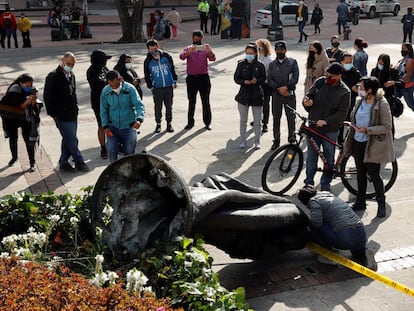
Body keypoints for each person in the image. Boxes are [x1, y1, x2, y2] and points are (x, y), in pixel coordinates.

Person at [343, 77, 394, 218]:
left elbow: (387, 126)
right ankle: (360, 201)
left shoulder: (381, 104)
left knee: (374, 174)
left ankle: (381, 203)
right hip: (357, 143)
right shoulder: (360, 101)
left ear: (370, 90)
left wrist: (368, 130)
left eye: (362, 87)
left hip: (372, 145)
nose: (359, 88)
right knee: (360, 174)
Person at [297, 186, 377, 271]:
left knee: (316, 227)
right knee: (355, 251)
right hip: (361, 232)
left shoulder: (314, 201)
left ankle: (329, 255)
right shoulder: (329, 195)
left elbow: (316, 223)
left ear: (304, 201)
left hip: (345, 238)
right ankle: (364, 253)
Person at [303, 62, 350, 191]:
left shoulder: (345, 92)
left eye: (331, 76)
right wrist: (307, 101)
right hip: (314, 126)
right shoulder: (320, 82)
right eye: (327, 75)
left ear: (339, 76)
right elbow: (309, 94)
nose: (327, 78)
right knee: (311, 157)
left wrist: (326, 121)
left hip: (330, 129)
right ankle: (309, 182)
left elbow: (342, 113)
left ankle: (325, 183)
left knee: (328, 157)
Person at [44, 51, 89, 172]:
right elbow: (48, 97)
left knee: (68, 138)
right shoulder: (53, 76)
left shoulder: (71, 74)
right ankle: (79, 160)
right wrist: (53, 114)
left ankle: (64, 161)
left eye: (73, 64)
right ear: (62, 61)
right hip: (61, 114)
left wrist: (76, 107)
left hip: (72, 112)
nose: (70, 65)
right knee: (72, 139)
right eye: (68, 63)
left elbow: (72, 93)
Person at [100, 70, 145, 164]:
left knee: (129, 153)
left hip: (129, 126)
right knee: (111, 150)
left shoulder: (130, 89)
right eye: (111, 85)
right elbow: (103, 110)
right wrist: (105, 126)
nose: (114, 88)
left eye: (116, 85)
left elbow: (138, 105)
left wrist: (139, 119)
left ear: (120, 80)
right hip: (113, 127)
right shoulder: (106, 91)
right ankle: (113, 171)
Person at [0, 74, 39, 171]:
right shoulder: (15, 89)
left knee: (29, 139)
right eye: (27, 85)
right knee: (13, 137)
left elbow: (32, 107)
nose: (29, 87)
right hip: (11, 118)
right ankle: (14, 157)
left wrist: (33, 100)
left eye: (30, 85)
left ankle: (32, 162)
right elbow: (18, 106)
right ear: (21, 83)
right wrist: (27, 101)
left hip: (24, 117)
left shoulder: (30, 90)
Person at [179, 30, 216, 130]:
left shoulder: (205, 48)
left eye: (198, 41)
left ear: (202, 39)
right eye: (195, 40)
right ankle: (190, 122)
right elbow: (181, 57)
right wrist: (190, 51)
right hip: (192, 78)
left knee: (205, 100)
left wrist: (210, 51)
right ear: (192, 39)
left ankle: (207, 122)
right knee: (191, 101)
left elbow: (212, 59)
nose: (197, 43)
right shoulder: (188, 48)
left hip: (204, 77)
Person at [268, 40, 300, 150]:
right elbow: (270, 79)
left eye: (281, 50)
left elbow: (295, 77)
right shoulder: (272, 64)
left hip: (289, 94)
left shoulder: (292, 62)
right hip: (277, 95)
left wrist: (286, 87)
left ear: (285, 50)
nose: (279, 52)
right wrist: (278, 88)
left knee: (291, 117)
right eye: (277, 50)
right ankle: (276, 139)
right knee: (276, 117)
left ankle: (292, 137)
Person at [234, 44, 266, 150]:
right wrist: (244, 81)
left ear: (256, 53)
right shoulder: (241, 64)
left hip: (256, 95)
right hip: (243, 95)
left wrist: (257, 80)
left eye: (251, 53)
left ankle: (257, 141)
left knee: (257, 121)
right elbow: (236, 78)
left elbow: (264, 78)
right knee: (243, 120)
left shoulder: (260, 65)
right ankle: (242, 140)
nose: (249, 55)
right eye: (247, 53)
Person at [144, 39, 177, 133]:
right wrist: (151, 86)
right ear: (148, 50)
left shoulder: (166, 56)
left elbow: (172, 69)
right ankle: (158, 124)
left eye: (154, 48)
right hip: (157, 88)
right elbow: (147, 75)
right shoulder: (148, 61)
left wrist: (174, 80)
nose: (153, 51)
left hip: (168, 86)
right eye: (150, 49)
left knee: (169, 106)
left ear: (157, 46)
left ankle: (169, 124)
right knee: (158, 107)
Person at [86, 49, 112, 159]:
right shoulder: (91, 71)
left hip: (110, 100)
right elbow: (99, 85)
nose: (106, 62)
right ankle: (103, 147)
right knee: (102, 125)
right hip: (98, 101)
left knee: (112, 123)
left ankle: (113, 144)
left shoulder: (104, 69)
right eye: (104, 60)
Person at [371, 54, 405, 136]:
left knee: (388, 121)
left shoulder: (392, 72)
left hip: (388, 101)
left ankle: (390, 140)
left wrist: (392, 82)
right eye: (379, 63)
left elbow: (402, 84)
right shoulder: (374, 71)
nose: (380, 65)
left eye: (382, 64)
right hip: (376, 100)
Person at [338, 52, 361, 144]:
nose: (349, 64)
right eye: (347, 62)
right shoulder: (338, 73)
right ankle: (340, 141)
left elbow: (360, 84)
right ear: (341, 62)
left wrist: (357, 88)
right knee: (340, 123)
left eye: (350, 62)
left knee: (351, 122)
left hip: (352, 101)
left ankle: (349, 140)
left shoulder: (356, 73)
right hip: (340, 101)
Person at [256, 38, 274, 133]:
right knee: (257, 103)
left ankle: (265, 123)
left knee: (265, 104)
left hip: (266, 84)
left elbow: (270, 74)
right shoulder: (259, 57)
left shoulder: (268, 59)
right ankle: (257, 119)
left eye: (259, 46)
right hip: (258, 83)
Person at [394, 42, 414, 111]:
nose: (402, 50)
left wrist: (397, 83)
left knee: (411, 104)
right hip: (399, 86)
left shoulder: (410, 61)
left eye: (404, 49)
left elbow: (408, 75)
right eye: (402, 49)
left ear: (409, 50)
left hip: (406, 86)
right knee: (392, 100)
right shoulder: (401, 60)